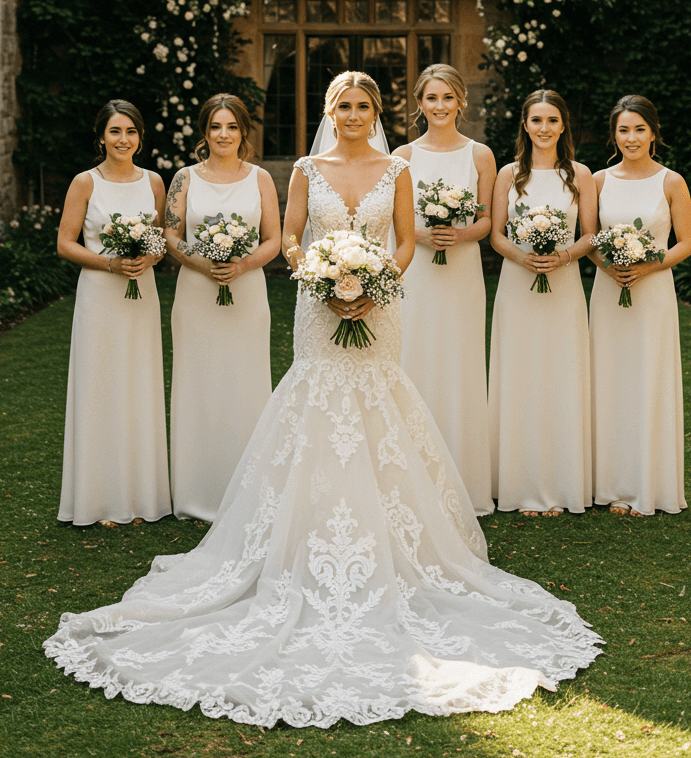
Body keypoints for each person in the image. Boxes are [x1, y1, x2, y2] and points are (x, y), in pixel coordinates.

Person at [43, 72, 601, 726]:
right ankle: (295, 548)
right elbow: (297, 237)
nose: (355, 115)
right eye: (344, 106)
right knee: (315, 412)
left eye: (364, 106)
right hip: (317, 308)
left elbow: (404, 243)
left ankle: (394, 551)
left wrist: (371, 284)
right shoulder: (306, 168)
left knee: (377, 411)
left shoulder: (398, 169)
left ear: (376, 112)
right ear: (330, 112)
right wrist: (325, 279)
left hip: (380, 309)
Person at [164, 94, 280, 521]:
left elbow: (274, 238)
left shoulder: (261, 178)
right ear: (205, 133)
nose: (224, 135)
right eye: (216, 127)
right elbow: (171, 235)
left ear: (243, 132)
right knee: (200, 383)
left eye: (232, 127)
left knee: (245, 382)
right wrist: (203, 263)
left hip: (247, 293)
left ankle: (248, 490)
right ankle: (197, 491)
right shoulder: (184, 179)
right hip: (196, 293)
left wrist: (242, 264)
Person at [55, 99, 171, 528]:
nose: (123, 140)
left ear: (140, 138)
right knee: (101, 386)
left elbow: (160, 239)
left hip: (141, 295)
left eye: (131, 132)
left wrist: (150, 259)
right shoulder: (85, 182)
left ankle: (142, 497)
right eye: (115, 132)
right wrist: (109, 263)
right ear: (101, 137)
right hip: (100, 294)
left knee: (138, 385)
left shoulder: (155, 182)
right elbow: (66, 242)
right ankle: (100, 500)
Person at [488, 90, 596, 517]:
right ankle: (519, 486)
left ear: (563, 125)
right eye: (536, 120)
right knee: (521, 378)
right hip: (518, 287)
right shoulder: (508, 175)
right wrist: (525, 257)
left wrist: (563, 256)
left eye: (552, 120)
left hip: (564, 289)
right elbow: (496, 234)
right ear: (525, 126)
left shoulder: (581, 175)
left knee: (560, 377)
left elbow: (590, 234)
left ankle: (560, 485)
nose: (544, 128)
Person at [395, 63, 496, 515]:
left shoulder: (480, 155)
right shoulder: (403, 156)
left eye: (447, 98)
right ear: (419, 104)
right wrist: (421, 234)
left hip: (461, 274)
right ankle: (410, 476)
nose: (440, 106)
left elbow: (489, 220)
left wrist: (460, 234)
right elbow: (394, 222)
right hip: (418, 273)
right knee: (415, 357)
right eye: (431, 98)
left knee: (460, 363)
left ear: (461, 102)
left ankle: (463, 476)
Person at [589, 94, 691, 517]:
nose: (631, 138)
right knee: (609, 379)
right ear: (614, 135)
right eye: (623, 130)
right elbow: (591, 240)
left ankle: (647, 485)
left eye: (639, 129)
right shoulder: (598, 180)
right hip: (608, 291)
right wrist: (608, 264)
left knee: (649, 379)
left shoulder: (671, 181)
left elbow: (685, 243)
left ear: (653, 133)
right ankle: (608, 483)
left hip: (653, 294)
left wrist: (650, 266)